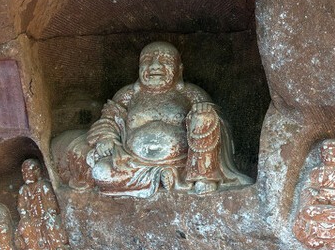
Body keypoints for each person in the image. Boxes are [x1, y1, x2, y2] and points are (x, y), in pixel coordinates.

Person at [56, 41, 251, 198]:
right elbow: (108, 121)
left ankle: (197, 177)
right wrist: (108, 139)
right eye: (147, 60)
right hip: (133, 163)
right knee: (100, 172)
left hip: (183, 163)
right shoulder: (128, 95)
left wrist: (203, 113)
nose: (155, 65)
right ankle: (160, 177)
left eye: (164, 60)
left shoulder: (190, 94)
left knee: (205, 117)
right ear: (139, 67)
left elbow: (218, 124)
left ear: (179, 69)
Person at [16, 159, 68, 250]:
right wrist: (25, 217)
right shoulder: (23, 190)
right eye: (24, 173)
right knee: (24, 227)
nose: (27, 175)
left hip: (46, 216)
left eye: (29, 172)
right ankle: (32, 247)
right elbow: (21, 207)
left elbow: (53, 204)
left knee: (51, 223)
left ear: (37, 171)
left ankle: (57, 245)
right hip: (31, 219)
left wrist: (46, 215)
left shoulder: (44, 185)